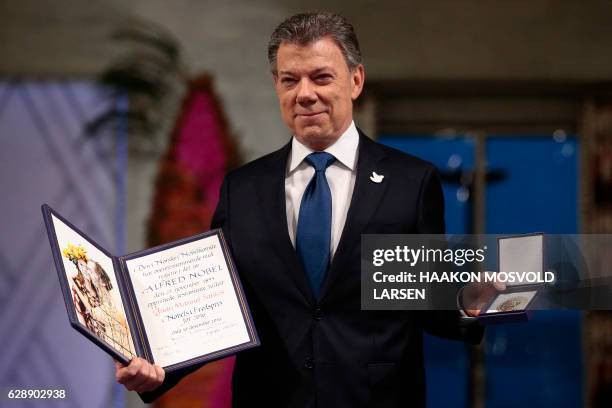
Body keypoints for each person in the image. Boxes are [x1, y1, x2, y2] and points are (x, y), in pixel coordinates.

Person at [116, 11, 485, 407]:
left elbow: (425, 301)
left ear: (356, 80)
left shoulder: (411, 183)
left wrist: (470, 304)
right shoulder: (242, 190)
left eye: (321, 77)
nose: (304, 93)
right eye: (290, 80)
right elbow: (217, 308)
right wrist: (158, 368)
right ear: (276, 85)